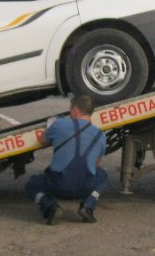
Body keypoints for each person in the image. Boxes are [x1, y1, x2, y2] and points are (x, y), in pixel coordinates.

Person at [25, 94, 109, 224]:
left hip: (57, 185)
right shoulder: (101, 135)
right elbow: (97, 165)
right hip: (84, 187)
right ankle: (88, 206)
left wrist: (51, 128)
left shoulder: (59, 124)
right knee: (102, 175)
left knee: (32, 184)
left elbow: (42, 141)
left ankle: (49, 206)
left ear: (75, 110)